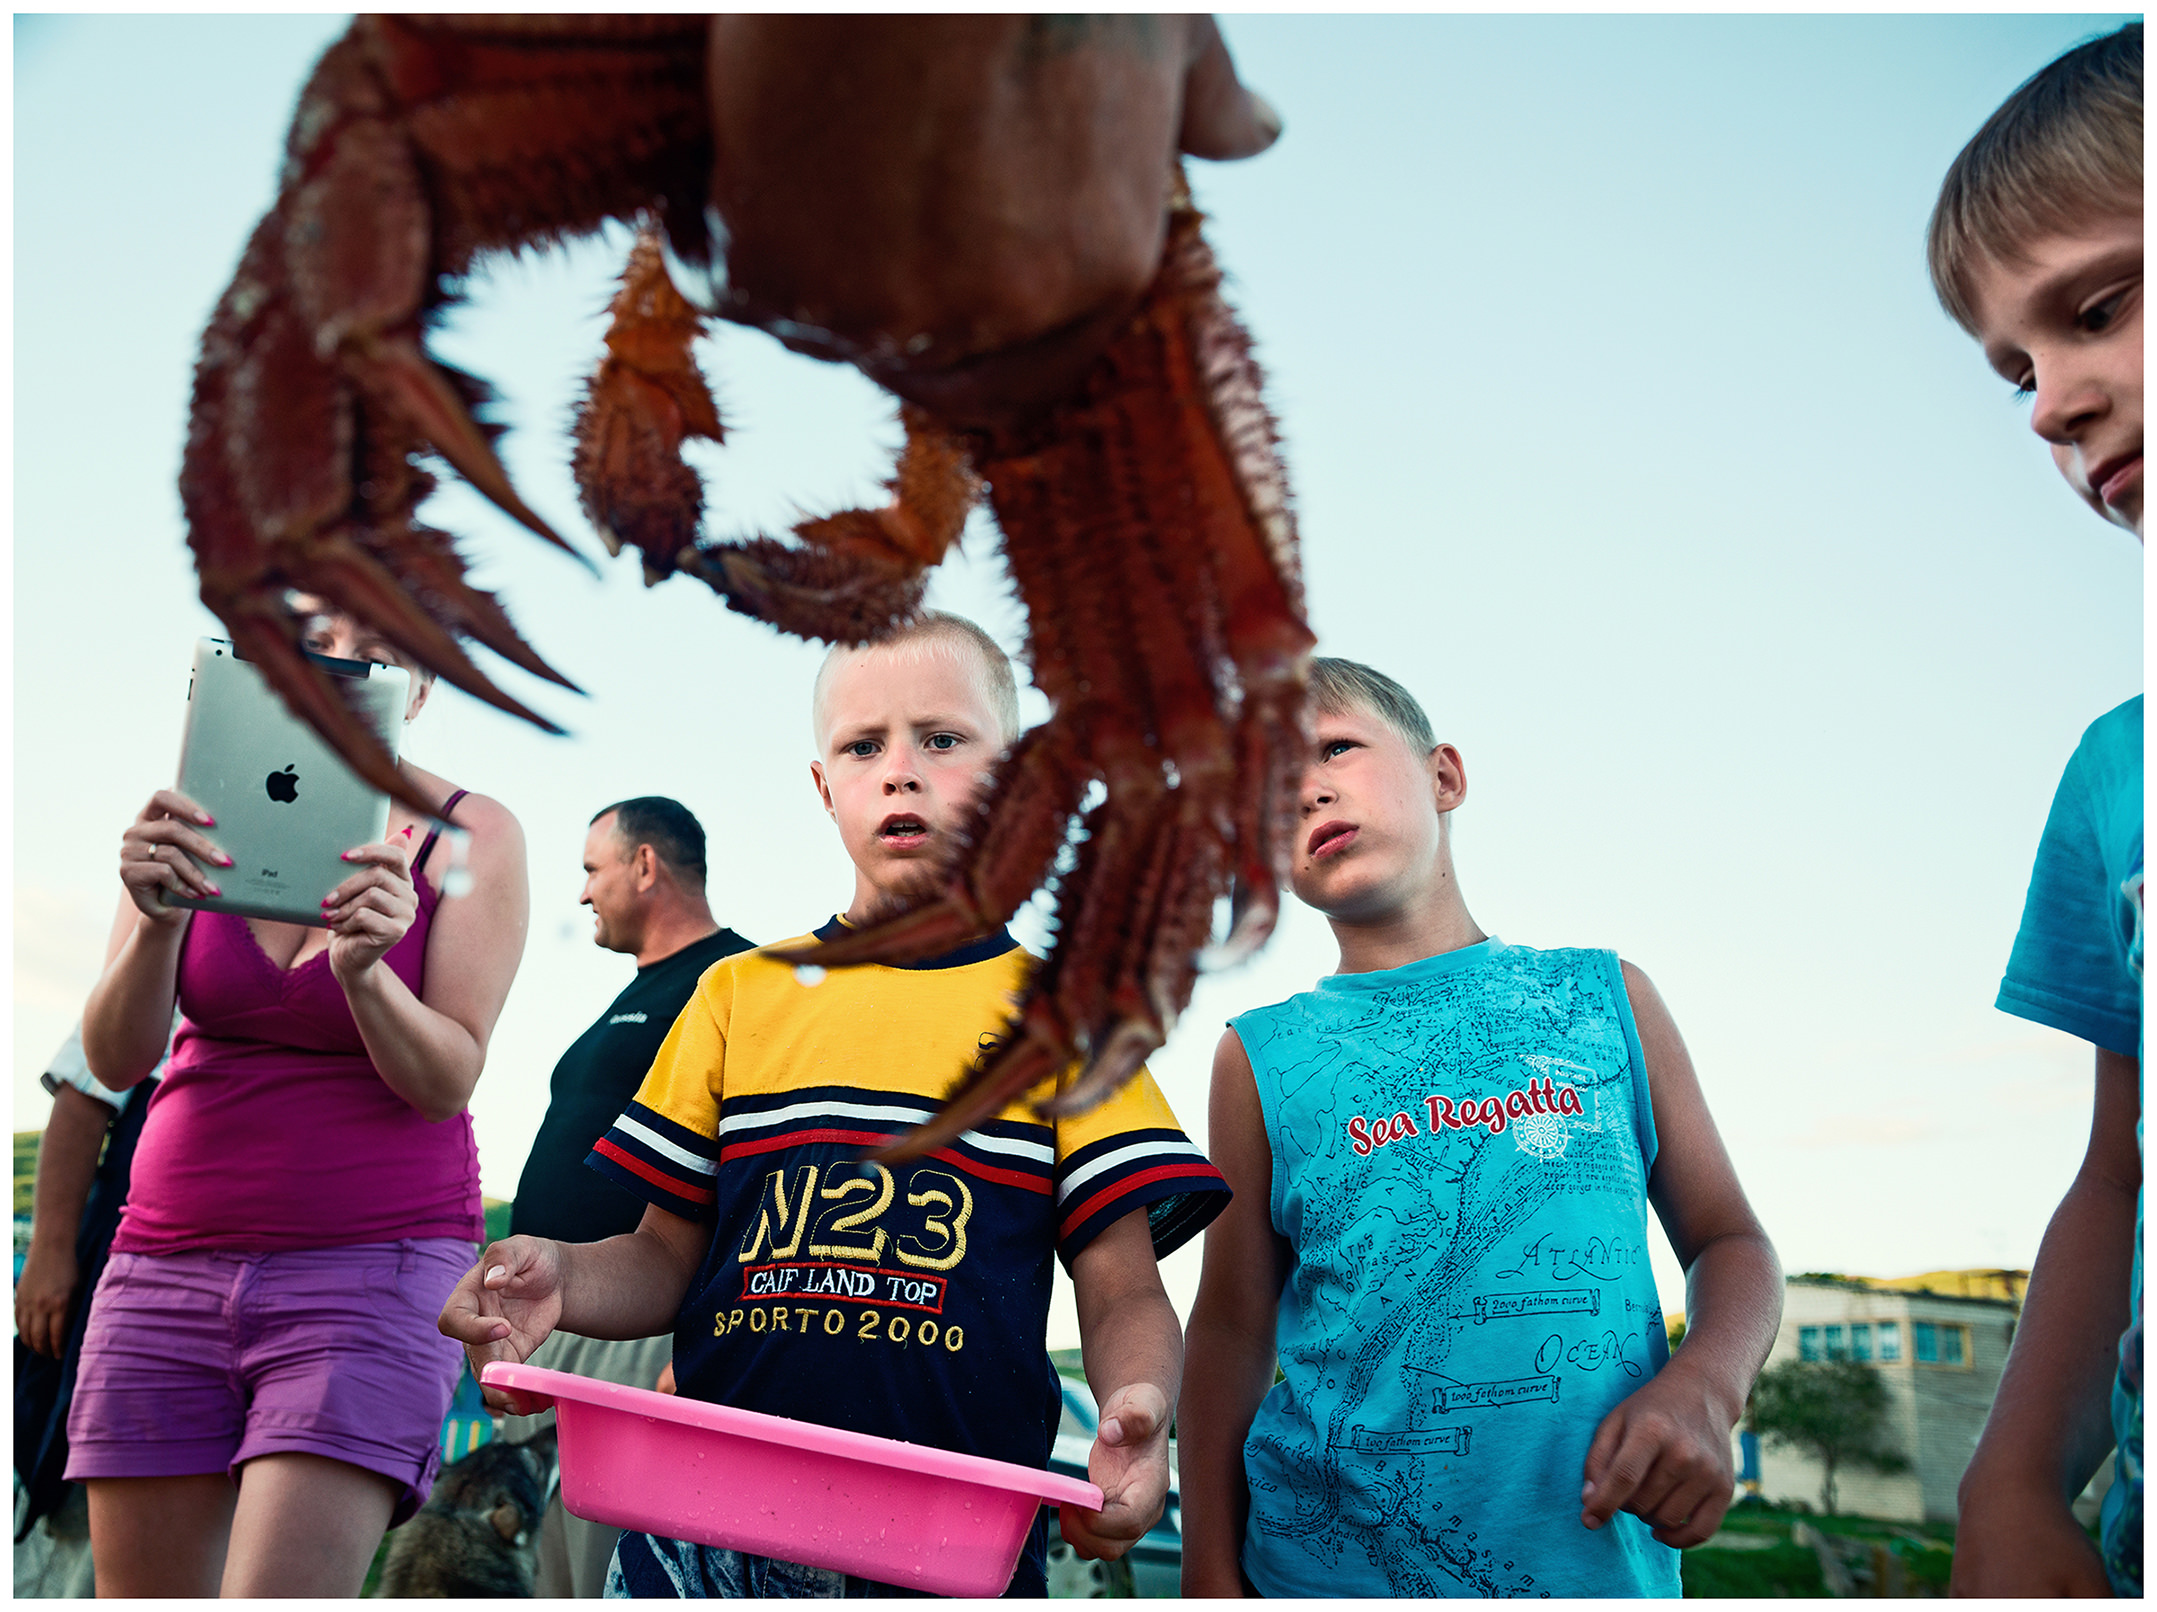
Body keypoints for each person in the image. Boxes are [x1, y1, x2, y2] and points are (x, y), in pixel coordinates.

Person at [442, 611, 1230, 1597]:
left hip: (948, 1541)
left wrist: (1140, 1403)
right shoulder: (737, 995)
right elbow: (660, 1256)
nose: (899, 770)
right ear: (824, 787)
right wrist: (560, 1274)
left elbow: (1120, 1286)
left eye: (941, 739)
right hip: (706, 1531)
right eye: (864, 745)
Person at [1179, 657, 1784, 1597]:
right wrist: (1207, 1574)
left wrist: (1708, 1384)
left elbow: (1731, 1240)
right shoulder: (1257, 1058)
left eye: (1334, 747)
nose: (1305, 790)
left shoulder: (1604, 998)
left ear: (1444, 775)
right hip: (1322, 1571)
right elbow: (1227, 1330)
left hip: (1587, 1565)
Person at [66, 596, 530, 1597]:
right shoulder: (198, 806)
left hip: (372, 1265)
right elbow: (115, 1050)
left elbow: (447, 1076)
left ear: (422, 685)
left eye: (379, 646)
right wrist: (153, 925)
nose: (344, 666)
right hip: (163, 1263)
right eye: (319, 638)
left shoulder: (472, 832)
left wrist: (367, 973)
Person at [1925, 22, 2142, 1598]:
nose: (2047, 406)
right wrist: (2007, 1488)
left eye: (2100, 305)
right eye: (2014, 367)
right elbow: (2120, 1166)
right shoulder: (2113, 779)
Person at [498, 796, 754, 1597]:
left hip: (641, 1337)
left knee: (609, 1575)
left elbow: (758, 1175)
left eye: (590, 870)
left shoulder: (739, 983)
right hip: (559, 1329)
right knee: (548, 1581)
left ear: (644, 866)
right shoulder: (635, 994)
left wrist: (698, 1340)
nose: (581, 895)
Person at [13, 1023, 165, 1599]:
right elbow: (84, 1095)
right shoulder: (183, 949)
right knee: (82, 1503)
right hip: (122, 1268)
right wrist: (49, 1253)